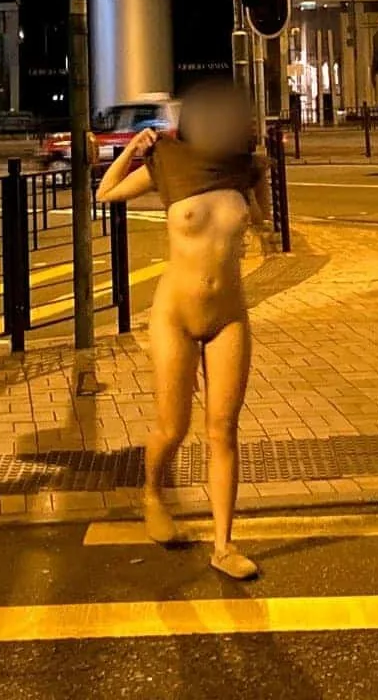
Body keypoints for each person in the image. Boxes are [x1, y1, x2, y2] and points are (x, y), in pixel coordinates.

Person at [95, 80, 270, 580]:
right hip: (174, 313)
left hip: (230, 313)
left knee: (224, 430)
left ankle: (223, 544)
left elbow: (265, 224)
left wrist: (263, 187)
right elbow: (106, 192)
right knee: (173, 427)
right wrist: (132, 149)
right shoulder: (169, 164)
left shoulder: (245, 168)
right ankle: (151, 491)